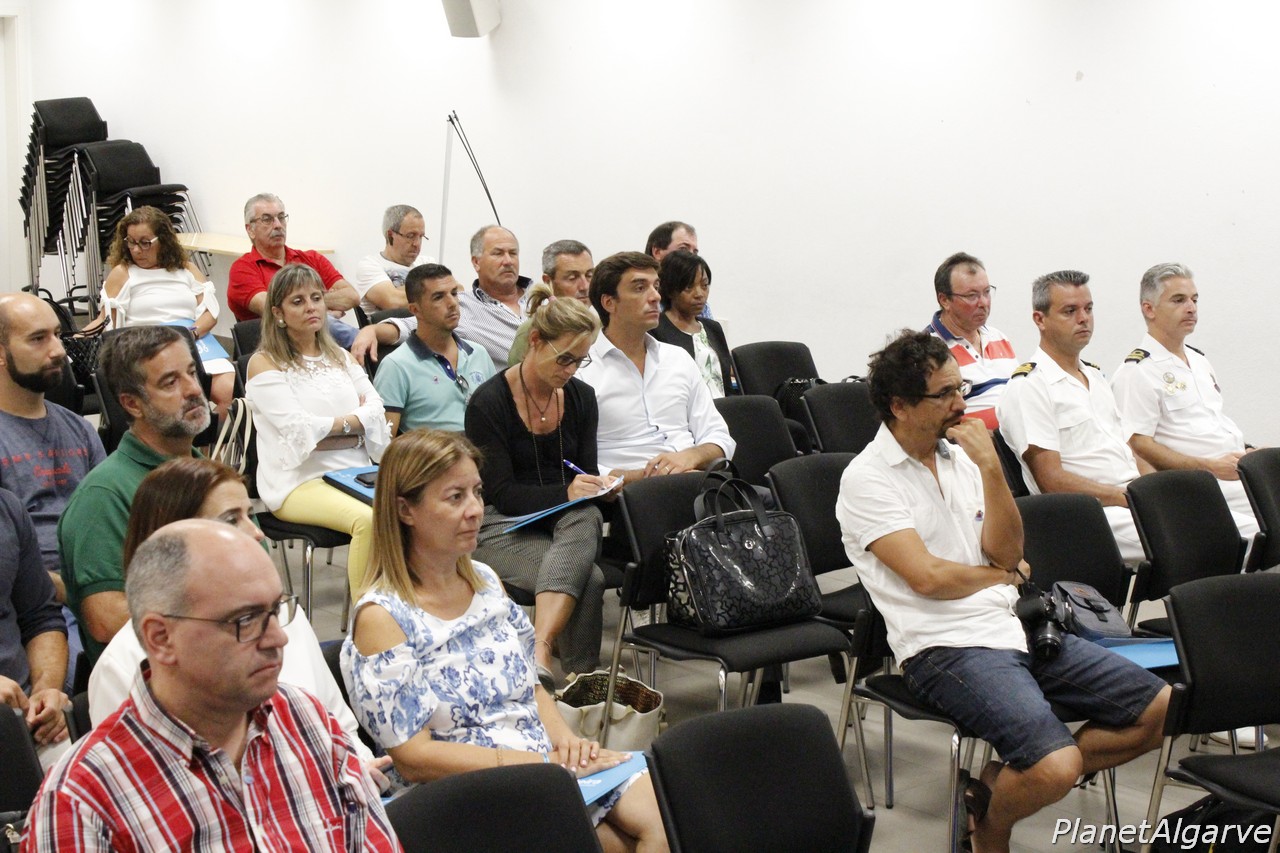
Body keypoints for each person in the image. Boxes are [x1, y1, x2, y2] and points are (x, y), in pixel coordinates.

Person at [837, 329, 1170, 853]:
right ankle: (995, 828)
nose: (960, 403)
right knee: (1054, 765)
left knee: (1161, 708)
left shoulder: (963, 457)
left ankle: (1001, 788)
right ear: (899, 405)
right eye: (944, 394)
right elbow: (929, 578)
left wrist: (992, 468)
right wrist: (1002, 575)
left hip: (1014, 624)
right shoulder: (867, 479)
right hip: (945, 647)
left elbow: (1009, 551)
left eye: (961, 388)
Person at [342, 430, 666, 852]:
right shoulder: (383, 618)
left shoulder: (486, 581)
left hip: (538, 763)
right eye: (455, 497)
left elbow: (531, 683)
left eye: (477, 493)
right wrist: (543, 765)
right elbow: (414, 758)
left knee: (666, 818)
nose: (476, 510)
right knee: (612, 843)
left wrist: (566, 743)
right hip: (461, 790)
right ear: (405, 510)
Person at [24, 520, 401, 852]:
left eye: (275, 609)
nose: (278, 638)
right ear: (161, 638)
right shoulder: (82, 803)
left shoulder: (306, 720)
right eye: (246, 620)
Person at [87, 457, 385, 776]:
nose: (256, 533)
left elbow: (340, 725)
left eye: (250, 515)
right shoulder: (123, 664)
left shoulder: (284, 614)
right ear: (172, 541)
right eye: (231, 519)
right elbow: (136, 787)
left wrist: (360, 773)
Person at [465, 283, 613, 680]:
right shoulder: (488, 403)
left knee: (586, 513)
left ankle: (544, 653)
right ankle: (577, 680)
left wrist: (598, 488)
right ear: (534, 341)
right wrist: (569, 493)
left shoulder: (581, 397)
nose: (570, 370)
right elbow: (501, 494)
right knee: (590, 578)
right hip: (500, 524)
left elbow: (582, 473)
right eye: (564, 358)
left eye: (579, 361)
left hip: (562, 522)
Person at [58, 325, 212, 666]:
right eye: (170, 382)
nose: (192, 389)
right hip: (154, 677)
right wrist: (221, 617)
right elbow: (106, 618)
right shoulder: (104, 495)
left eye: (191, 372)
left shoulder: (212, 478)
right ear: (132, 404)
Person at [246, 264, 392, 597]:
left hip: (355, 473)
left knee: (416, 507)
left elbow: (376, 409)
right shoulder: (264, 363)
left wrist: (329, 430)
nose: (311, 307)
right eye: (298, 301)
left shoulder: (339, 356)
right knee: (368, 521)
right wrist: (352, 425)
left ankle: (404, 607)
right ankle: (368, 619)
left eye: (316, 298)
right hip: (299, 482)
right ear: (278, 313)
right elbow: (298, 429)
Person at [996, 270, 1151, 562]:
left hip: (1129, 500)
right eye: (1070, 311)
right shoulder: (1029, 386)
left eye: (1088, 309)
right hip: (1089, 515)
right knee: (1202, 539)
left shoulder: (1095, 377)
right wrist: (1128, 497)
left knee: (1218, 523)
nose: (1084, 319)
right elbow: (1051, 480)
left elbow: (1129, 450)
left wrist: (1156, 491)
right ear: (1040, 319)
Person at [0, 292, 105, 689]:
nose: (59, 350)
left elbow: (103, 525)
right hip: (29, 606)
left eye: (58, 335)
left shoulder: (78, 429)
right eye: (38, 338)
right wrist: (66, 588)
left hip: (90, 588)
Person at [1110, 262, 1259, 538]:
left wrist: (1249, 450)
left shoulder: (1199, 360)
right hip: (1204, 481)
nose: (1191, 308)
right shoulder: (1137, 372)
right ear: (1149, 309)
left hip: (1237, 469)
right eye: (1178, 300)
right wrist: (1208, 468)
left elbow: (1211, 423)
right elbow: (1137, 444)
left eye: (1194, 300)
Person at [577, 252, 734, 483]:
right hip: (630, 492)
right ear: (609, 302)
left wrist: (690, 457)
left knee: (768, 499)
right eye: (640, 288)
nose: (655, 297)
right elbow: (579, 465)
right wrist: (647, 477)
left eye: (656, 286)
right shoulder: (581, 372)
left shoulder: (678, 359)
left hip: (696, 481)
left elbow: (719, 436)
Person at [98, 205, 235, 412]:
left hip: (193, 340)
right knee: (177, 398)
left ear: (162, 240)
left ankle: (207, 434)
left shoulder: (186, 269)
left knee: (230, 393)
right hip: (149, 348)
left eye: (145, 243)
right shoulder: (123, 273)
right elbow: (105, 319)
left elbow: (210, 314)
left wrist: (190, 334)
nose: (136, 250)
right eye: (131, 242)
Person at [352, 224, 532, 368]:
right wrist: (370, 330)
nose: (508, 261)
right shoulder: (461, 306)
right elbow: (409, 325)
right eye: (498, 253)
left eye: (513, 253)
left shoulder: (542, 298)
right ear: (476, 262)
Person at [373, 264, 496, 434]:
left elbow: (499, 419)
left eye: (454, 293)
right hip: (433, 450)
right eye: (438, 297)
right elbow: (384, 443)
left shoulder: (479, 353)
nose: (452, 303)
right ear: (415, 310)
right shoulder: (396, 366)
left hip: (483, 448)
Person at [227, 192, 360, 347]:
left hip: (326, 343)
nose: (278, 225)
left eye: (281, 217)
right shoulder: (242, 269)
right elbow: (274, 308)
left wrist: (307, 306)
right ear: (250, 229)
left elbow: (352, 297)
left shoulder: (312, 258)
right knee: (341, 329)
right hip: (278, 348)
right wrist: (323, 309)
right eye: (267, 219)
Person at [0, 488, 69, 770]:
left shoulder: (7, 509)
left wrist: (45, 690)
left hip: (22, 719)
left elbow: (41, 618)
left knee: (99, 773)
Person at [926, 252, 1017, 429]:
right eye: (972, 296)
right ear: (944, 300)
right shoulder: (929, 350)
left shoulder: (999, 337)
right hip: (968, 443)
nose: (983, 303)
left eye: (987, 292)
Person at [651, 250, 737, 396]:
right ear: (670, 290)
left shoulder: (713, 328)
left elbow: (727, 382)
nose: (699, 294)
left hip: (723, 407)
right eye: (689, 287)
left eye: (704, 285)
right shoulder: (656, 329)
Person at [507, 239, 594, 364]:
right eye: (572, 278)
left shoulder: (605, 327)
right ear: (548, 281)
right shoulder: (532, 331)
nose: (584, 286)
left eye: (589, 275)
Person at [352, 204, 435, 313]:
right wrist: (434, 291)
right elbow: (393, 302)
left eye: (421, 237)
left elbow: (453, 291)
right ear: (390, 235)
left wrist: (401, 291)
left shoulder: (427, 262)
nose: (417, 243)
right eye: (410, 236)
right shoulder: (370, 265)